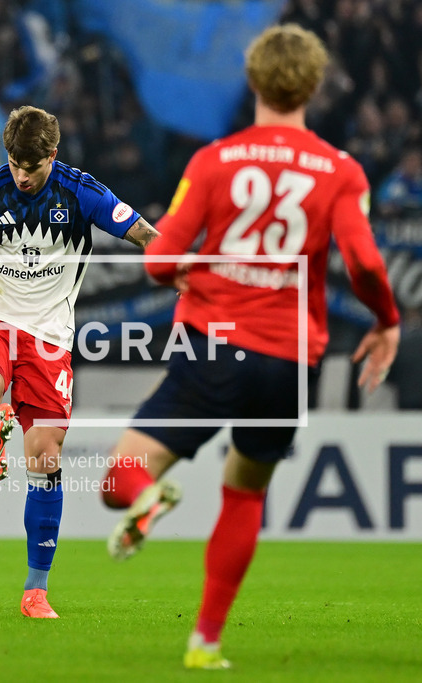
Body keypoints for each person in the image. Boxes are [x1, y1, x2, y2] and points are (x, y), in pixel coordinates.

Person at [98, 24, 401, 669]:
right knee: (245, 494)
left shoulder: (214, 161)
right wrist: (387, 321)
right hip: (289, 362)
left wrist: (174, 268)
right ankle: (205, 642)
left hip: (215, 342)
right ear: (314, 87)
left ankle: (152, 500)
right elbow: (369, 265)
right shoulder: (342, 172)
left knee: (119, 482)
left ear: (253, 81)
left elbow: (159, 258)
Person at [0, 105, 161, 619]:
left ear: (53, 154)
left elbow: (144, 234)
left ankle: (35, 590)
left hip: (50, 334)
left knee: (45, 455)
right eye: (14, 164)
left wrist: (180, 270)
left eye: (32, 166)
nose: (22, 176)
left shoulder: (81, 192)